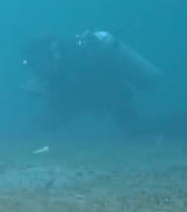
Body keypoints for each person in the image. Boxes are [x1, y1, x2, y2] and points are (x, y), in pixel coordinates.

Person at [20, 29, 162, 135]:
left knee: (135, 130)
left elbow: (71, 101)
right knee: (135, 130)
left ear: (44, 55)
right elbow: (65, 100)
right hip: (111, 93)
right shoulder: (62, 65)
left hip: (116, 94)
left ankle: (171, 126)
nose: (35, 69)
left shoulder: (72, 61)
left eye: (36, 63)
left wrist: (48, 116)